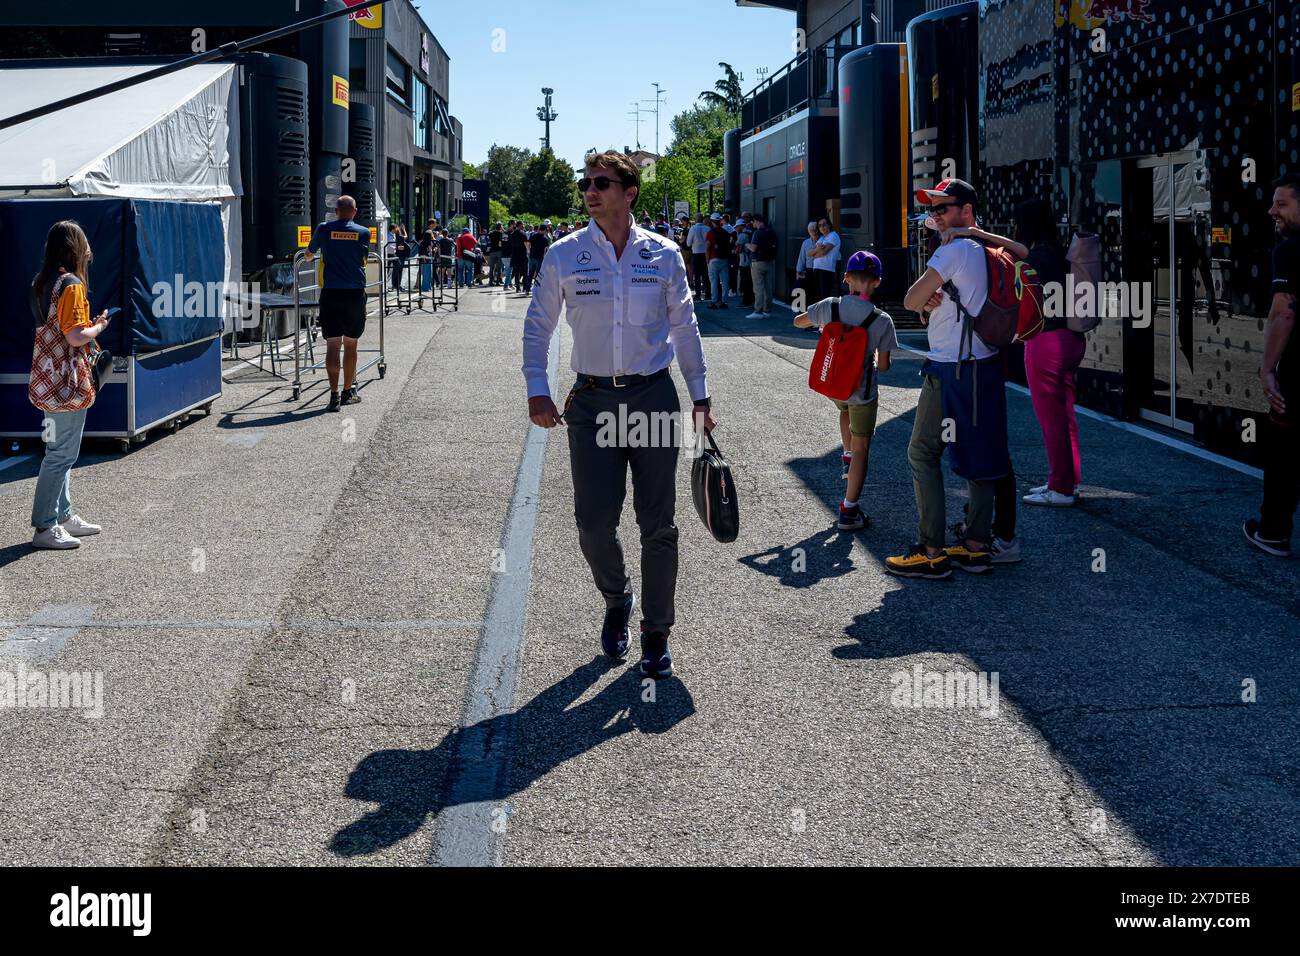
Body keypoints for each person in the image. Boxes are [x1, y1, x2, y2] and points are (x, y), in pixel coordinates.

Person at [522, 150, 715, 679]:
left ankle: (657, 632)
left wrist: (700, 396)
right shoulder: (563, 254)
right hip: (591, 402)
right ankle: (616, 598)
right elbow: (538, 326)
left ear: (629, 193)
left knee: (658, 525)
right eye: (587, 182)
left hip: (652, 395)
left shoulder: (665, 254)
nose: (591, 190)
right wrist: (538, 388)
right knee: (592, 522)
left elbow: (685, 329)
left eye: (602, 183)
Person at [886, 178, 1009, 579]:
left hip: (950, 368)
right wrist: (931, 304)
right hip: (986, 364)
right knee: (982, 456)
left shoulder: (954, 251)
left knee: (922, 453)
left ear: (967, 211)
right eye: (933, 209)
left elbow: (907, 300)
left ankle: (931, 548)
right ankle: (975, 546)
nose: (935, 216)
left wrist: (923, 301)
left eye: (944, 208)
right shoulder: (990, 250)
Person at [793, 250, 898, 531]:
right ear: (876, 282)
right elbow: (885, 366)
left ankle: (846, 456)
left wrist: (825, 324)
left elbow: (798, 321)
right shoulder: (883, 320)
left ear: (846, 278)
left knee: (843, 412)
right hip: (863, 391)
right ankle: (849, 511)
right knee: (863, 446)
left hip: (835, 385)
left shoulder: (831, 305)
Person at [27, 220, 109, 550]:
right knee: (61, 455)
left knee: (56, 451)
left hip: (46, 377)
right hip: (66, 380)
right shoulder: (71, 285)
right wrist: (98, 327)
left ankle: (63, 515)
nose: (89, 250)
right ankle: (46, 526)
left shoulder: (43, 282)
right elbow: (74, 335)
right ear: (74, 248)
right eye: (84, 244)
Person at [1245, 173, 1300, 556]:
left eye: (1282, 204)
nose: (1272, 211)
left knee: (1283, 454)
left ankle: (1273, 532)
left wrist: (1267, 369)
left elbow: (1283, 313)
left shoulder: (1290, 250)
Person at [306, 195, 372, 412]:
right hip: (354, 293)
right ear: (354, 211)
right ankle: (347, 392)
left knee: (333, 345)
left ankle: (333, 396)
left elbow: (308, 255)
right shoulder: (363, 232)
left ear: (336, 211)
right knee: (351, 344)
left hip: (331, 292)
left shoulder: (324, 229)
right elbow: (363, 257)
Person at [746, 212, 777, 318]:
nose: (753, 224)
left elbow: (753, 248)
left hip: (757, 262)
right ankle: (767, 310)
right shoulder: (771, 232)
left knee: (758, 287)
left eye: (753, 222)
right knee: (768, 287)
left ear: (757, 221)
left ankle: (758, 311)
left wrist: (747, 245)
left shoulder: (757, 233)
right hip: (769, 262)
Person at [808, 217, 842, 303]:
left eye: (824, 224)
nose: (822, 227)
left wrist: (815, 255)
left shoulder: (834, 235)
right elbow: (809, 253)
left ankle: (826, 316)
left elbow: (824, 252)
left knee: (825, 297)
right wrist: (817, 249)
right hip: (817, 269)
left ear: (829, 225)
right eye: (819, 226)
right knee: (818, 296)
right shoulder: (822, 238)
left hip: (826, 269)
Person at [705, 212, 731, 309]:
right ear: (720, 221)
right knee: (724, 281)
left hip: (713, 258)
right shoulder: (725, 232)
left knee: (714, 281)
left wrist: (707, 260)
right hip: (724, 259)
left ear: (712, 221)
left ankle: (714, 301)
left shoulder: (710, 233)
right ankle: (725, 301)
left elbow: (707, 247)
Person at [795, 221, 819, 308]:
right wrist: (798, 271)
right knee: (807, 293)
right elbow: (801, 258)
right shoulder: (806, 243)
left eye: (816, 229)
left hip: (819, 270)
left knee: (817, 293)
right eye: (812, 230)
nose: (814, 231)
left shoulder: (822, 241)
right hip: (809, 271)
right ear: (808, 231)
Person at [686, 213, 710, 299]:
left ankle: (698, 294)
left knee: (697, 276)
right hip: (706, 254)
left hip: (696, 254)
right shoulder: (707, 228)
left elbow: (688, 243)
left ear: (695, 219)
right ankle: (708, 294)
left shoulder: (693, 229)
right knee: (706, 275)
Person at [524, 221, 549, 293]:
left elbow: (528, 243)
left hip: (532, 257)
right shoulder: (545, 239)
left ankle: (527, 290)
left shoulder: (533, 236)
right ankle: (536, 290)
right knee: (538, 275)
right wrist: (545, 257)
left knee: (530, 273)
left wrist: (528, 250)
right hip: (539, 258)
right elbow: (546, 249)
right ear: (544, 230)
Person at [736, 214, 755, 308]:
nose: (736, 229)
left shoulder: (742, 235)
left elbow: (738, 249)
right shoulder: (751, 232)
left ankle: (745, 301)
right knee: (750, 281)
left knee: (744, 281)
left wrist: (734, 250)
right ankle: (751, 300)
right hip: (751, 260)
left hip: (744, 261)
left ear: (741, 226)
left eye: (737, 227)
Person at [505, 220, 528, 292]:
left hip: (514, 254)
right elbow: (526, 244)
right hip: (522, 254)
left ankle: (518, 287)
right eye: (522, 225)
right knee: (524, 271)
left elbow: (510, 244)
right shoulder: (523, 233)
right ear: (520, 225)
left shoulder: (512, 234)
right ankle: (524, 287)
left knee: (516, 271)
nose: (523, 226)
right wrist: (528, 252)